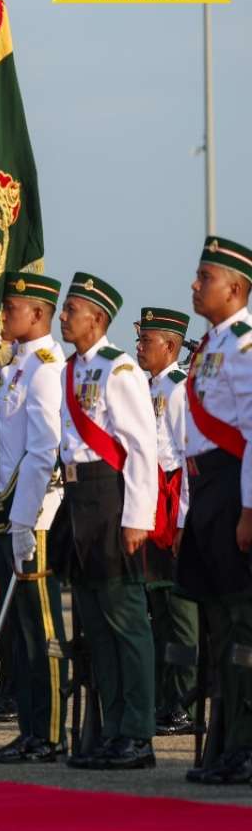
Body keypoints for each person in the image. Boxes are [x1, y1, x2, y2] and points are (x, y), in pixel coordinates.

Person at [0, 272, 70, 764]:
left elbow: (44, 449)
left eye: (12, 308)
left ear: (39, 314)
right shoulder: (16, 366)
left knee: (41, 629)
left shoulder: (46, 366)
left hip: (35, 518)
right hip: (7, 513)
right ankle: (28, 727)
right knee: (20, 633)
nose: (3, 315)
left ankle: (49, 732)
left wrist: (25, 518)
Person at [54, 273, 158, 770]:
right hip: (78, 499)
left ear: (97, 318)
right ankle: (110, 729)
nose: (62, 316)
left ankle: (137, 733)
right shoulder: (69, 371)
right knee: (94, 624)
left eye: (71, 309)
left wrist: (138, 518)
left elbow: (141, 448)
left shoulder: (119, 370)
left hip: (113, 500)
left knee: (126, 623)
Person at [176, 236, 252, 785]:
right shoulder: (212, 344)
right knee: (219, 628)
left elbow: (251, 435)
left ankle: (241, 747)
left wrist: (249, 510)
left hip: (233, 491)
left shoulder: (245, 346)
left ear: (236, 288)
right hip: (205, 492)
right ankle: (225, 744)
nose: (195, 285)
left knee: (241, 626)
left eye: (206, 277)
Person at [135, 306, 200, 737]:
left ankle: (184, 703)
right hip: (150, 507)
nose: (140, 348)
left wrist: (182, 525)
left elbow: (188, 460)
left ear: (171, 347)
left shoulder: (178, 390)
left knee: (180, 617)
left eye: (147, 341)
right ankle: (163, 699)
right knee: (156, 612)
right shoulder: (145, 386)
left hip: (173, 510)